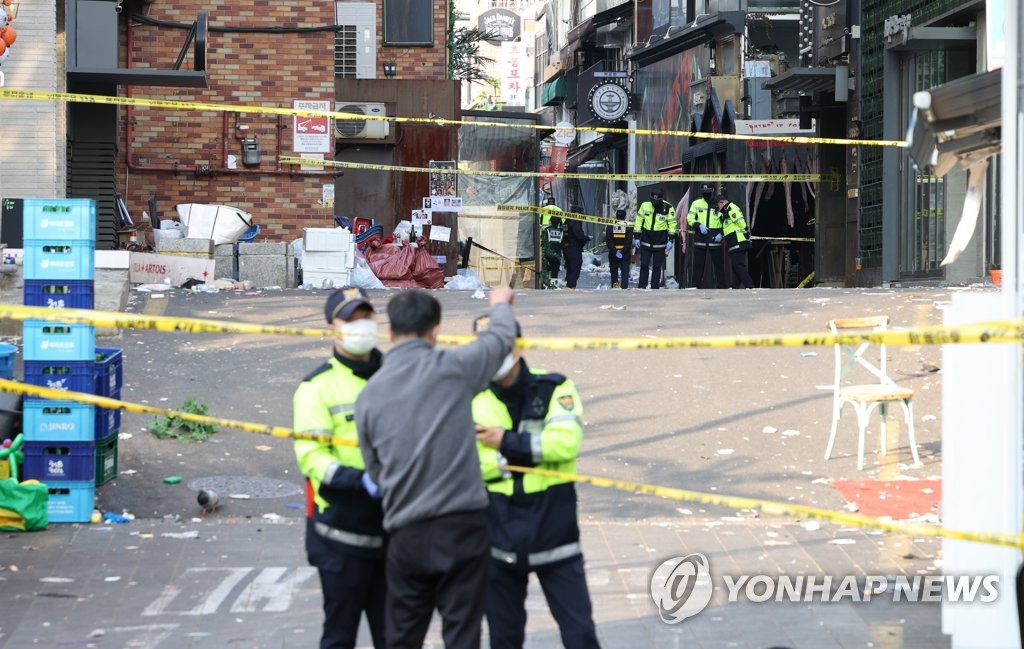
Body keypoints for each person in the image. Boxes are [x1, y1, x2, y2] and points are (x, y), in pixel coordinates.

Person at [355, 287, 518, 649]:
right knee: (462, 634)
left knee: (401, 636)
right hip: (463, 528)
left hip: (406, 532)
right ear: (435, 331)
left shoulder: (369, 395)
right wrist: (499, 305)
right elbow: (501, 337)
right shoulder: (454, 369)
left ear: (391, 333)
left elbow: (375, 469)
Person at [471, 316, 601, 649]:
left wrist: (502, 443)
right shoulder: (468, 397)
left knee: (581, 635)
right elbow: (466, 462)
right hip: (497, 538)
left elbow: (564, 444)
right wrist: (526, 457)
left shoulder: (555, 388)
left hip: (554, 533)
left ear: (519, 347)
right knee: (505, 638)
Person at [293, 286, 387, 649]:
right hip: (340, 536)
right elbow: (312, 458)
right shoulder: (316, 388)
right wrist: (362, 481)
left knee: (397, 637)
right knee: (340, 636)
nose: (360, 327)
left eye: (366, 318)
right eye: (350, 320)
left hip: (394, 534)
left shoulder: (394, 375)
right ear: (332, 328)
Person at [635, 186, 677, 289]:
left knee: (657, 266)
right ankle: (642, 286)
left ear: (661, 199)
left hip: (660, 241)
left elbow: (672, 224)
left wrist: (671, 240)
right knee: (644, 264)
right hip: (646, 239)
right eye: (653, 199)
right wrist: (636, 236)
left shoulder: (668, 208)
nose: (654, 202)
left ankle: (654, 287)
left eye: (657, 200)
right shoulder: (645, 206)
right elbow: (639, 221)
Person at [686, 182, 725, 289]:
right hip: (700, 238)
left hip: (715, 239)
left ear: (712, 191)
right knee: (698, 266)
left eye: (707, 192)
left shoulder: (720, 203)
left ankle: (722, 288)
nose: (705, 195)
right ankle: (696, 287)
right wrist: (698, 225)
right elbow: (690, 218)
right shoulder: (696, 203)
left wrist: (722, 234)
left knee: (719, 266)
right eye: (704, 193)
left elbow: (726, 221)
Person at [716, 193, 755, 289]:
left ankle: (749, 286)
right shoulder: (725, 211)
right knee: (735, 265)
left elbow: (740, 221)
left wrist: (746, 234)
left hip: (738, 240)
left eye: (717, 204)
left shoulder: (731, 208)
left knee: (738, 265)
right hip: (733, 241)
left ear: (722, 202)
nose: (717, 207)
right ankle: (735, 286)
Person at [561, 205, 591, 290]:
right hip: (574, 249)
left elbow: (565, 234)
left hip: (567, 248)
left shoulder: (567, 221)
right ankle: (571, 287)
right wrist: (587, 238)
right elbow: (579, 236)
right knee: (575, 269)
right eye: (581, 214)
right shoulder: (575, 222)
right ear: (577, 213)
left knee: (570, 269)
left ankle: (569, 286)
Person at [604, 208, 633, 289]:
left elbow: (608, 240)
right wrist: (622, 251)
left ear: (616, 215)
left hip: (613, 254)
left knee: (614, 272)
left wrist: (615, 251)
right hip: (625, 254)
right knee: (625, 273)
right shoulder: (628, 226)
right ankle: (624, 288)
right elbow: (629, 241)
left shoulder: (611, 225)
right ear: (625, 216)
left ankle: (615, 287)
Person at [539, 198, 565, 288]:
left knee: (545, 268)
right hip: (557, 253)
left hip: (547, 251)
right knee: (555, 269)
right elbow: (563, 221)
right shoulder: (559, 210)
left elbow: (539, 220)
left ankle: (544, 284)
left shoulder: (544, 209)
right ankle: (553, 285)